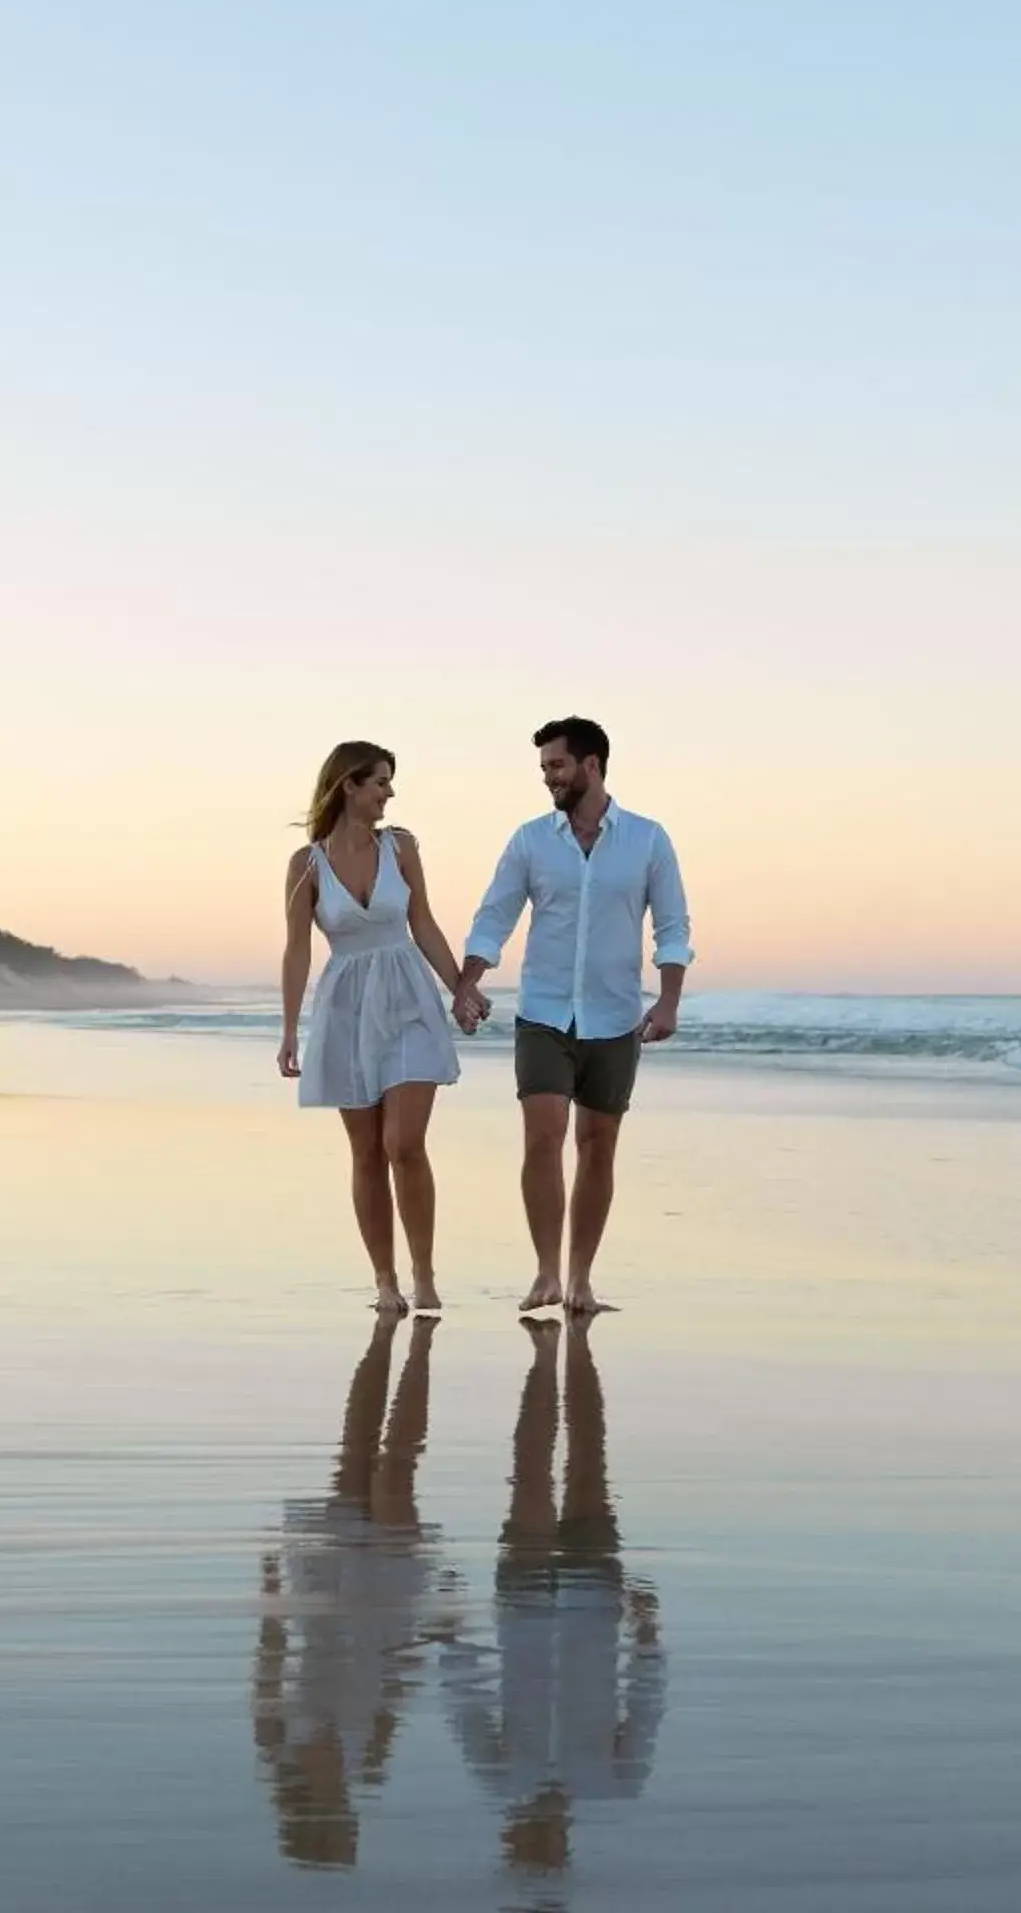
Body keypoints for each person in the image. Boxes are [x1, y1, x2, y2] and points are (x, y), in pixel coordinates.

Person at [452, 718, 693, 1315]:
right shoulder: (532, 840)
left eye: (556, 766)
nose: (548, 779)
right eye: (543, 769)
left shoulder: (647, 840)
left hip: (614, 1018)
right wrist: (467, 984)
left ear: (592, 765)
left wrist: (668, 1001)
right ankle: (545, 1275)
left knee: (598, 1145)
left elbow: (672, 926)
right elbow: (495, 916)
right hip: (543, 1013)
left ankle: (581, 1281)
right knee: (543, 1138)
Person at [442, 1315, 664, 1884]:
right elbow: (645, 1704)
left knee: (531, 1475)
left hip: (522, 1606)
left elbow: (467, 1702)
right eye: (529, 1850)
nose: (516, 1836)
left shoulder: (500, 1779)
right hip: (592, 1600)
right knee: (589, 1462)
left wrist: (451, 1631)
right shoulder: (614, 1786)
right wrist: (647, 1634)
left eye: (514, 1848)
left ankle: (545, 1359)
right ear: (561, 1854)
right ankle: (573, 1351)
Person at [252, 1315, 458, 1869]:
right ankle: (420, 1352)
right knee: (395, 1472)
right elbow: (395, 1683)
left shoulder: (276, 1744)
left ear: (312, 1813)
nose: (349, 1809)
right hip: (387, 1598)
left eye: (339, 1819)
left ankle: (395, 1335)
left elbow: (272, 1653)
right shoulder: (367, 1763)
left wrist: (270, 1582)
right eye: (350, 1821)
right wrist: (440, 1614)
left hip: (323, 1585)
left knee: (355, 1452)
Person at [280, 741, 471, 1315]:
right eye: (381, 782)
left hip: (408, 997)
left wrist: (461, 987)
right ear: (349, 786)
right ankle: (385, 1283)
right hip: (346, 1010)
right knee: (366, 1153)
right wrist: (291, 1030)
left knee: (403, 1144)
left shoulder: (403, 847)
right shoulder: (306, 864)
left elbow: (425, 924)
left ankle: (424, 1273)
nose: (389, 793)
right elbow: (295, 951)